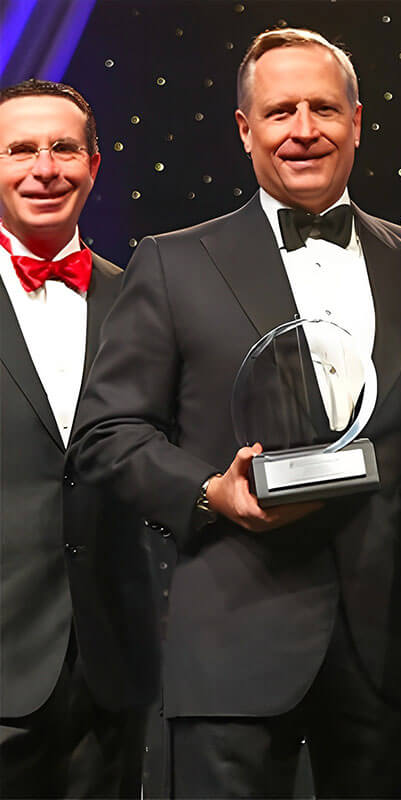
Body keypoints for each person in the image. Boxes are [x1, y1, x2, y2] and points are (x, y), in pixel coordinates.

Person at [69, 28, 401, 799]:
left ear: (357, 121)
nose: (303, 129)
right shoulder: (173, 261)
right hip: (233, 641)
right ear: (244, 128)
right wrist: (206, 492)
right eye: (280, 110)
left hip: (396, 646)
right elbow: (108, 434)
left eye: (323, 108)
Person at [0, 79, 157, 798]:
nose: (44, 167)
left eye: (64, 148)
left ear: (95, 165)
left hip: (110, 668)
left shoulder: (145, 303)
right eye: (20, 149)